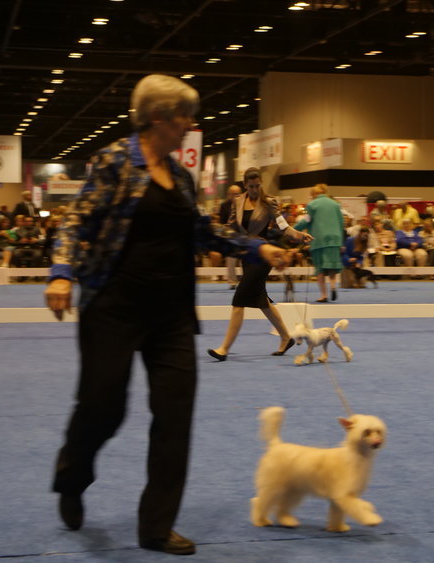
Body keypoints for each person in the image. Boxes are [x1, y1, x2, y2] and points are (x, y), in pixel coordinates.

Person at [43, 74, 290, 556]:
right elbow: (76, 220)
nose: (190, 125)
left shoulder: (180, 176)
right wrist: (59, 273)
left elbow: (202, 232)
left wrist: (260, 246)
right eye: (184, 117)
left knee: (175, 417)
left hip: (172, 314)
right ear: (159, 118)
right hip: (113, 308)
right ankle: (72, 476)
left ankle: (156, 527)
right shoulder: (114, 161)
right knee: (102, 409)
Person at [207, 168, 311, 360]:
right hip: (245, 255)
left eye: (258, 185)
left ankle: (224, 349)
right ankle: (286, 337)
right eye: (251, 186)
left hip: (264, 255)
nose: (255, 189)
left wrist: (299, 235)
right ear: (245, 185)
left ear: (261, 183)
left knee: (239, 300)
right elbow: (230, 228)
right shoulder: (237, 202)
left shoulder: (269, 202)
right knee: (262, 301)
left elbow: (283, 227)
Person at [294, 184, 345, 302]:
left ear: (313, 194)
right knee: (332, 266)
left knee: (320, 269)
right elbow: (341, 223)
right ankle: (333, 286)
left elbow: (306, 221)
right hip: (335, 239)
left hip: (319, 239)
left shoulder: (312, 205)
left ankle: (324, 295)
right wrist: (341, 241)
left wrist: (293, 230)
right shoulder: (335, 204)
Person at [219, 184, 244, 288]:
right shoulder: (224, 205)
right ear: (228, 194)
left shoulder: (245, 203)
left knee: (245, 260)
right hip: (230, 236)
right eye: (232, 194)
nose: (234, 196)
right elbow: (222, 222)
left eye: (237, 194)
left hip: (244, 235)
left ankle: (245, 281)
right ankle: (232, 282)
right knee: (230, 260)